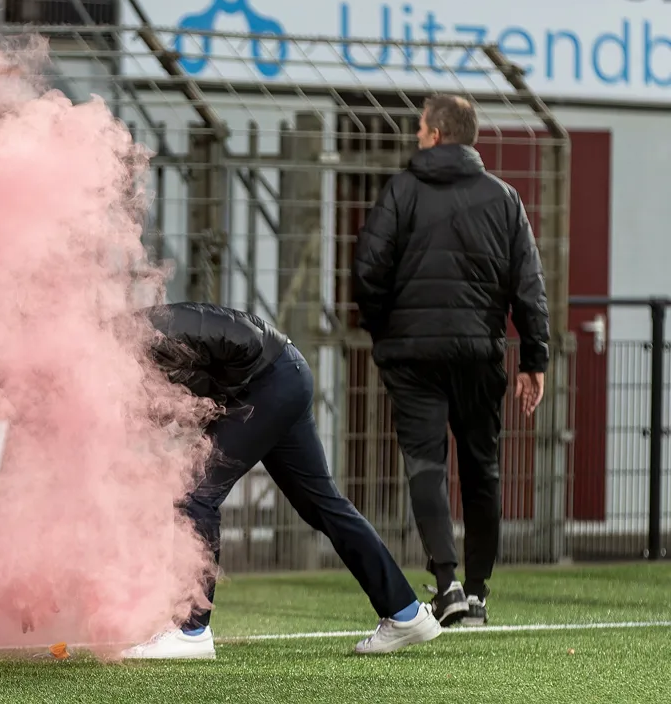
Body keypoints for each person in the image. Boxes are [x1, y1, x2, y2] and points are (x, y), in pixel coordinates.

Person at [119, 301, 442, 660]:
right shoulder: (135, 348)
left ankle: (191, 630)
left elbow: (236, 341)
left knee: (194, 493)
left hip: (268, 381)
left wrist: (229, 407)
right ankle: (406, 612)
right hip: (280, 376)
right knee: (322, 505)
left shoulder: (152, 333)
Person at [351, 93, 550, 628]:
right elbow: (528, 286)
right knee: (482, 467)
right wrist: (534, 359)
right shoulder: (504, 198)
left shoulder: (402, 190)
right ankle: (479, 593)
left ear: (436, 134)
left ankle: (448, 584)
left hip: (413, 355)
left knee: (426, 463)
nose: (416, 136)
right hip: (480, 352)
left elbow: (367, 269)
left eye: (420, 128)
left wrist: (385, 330)